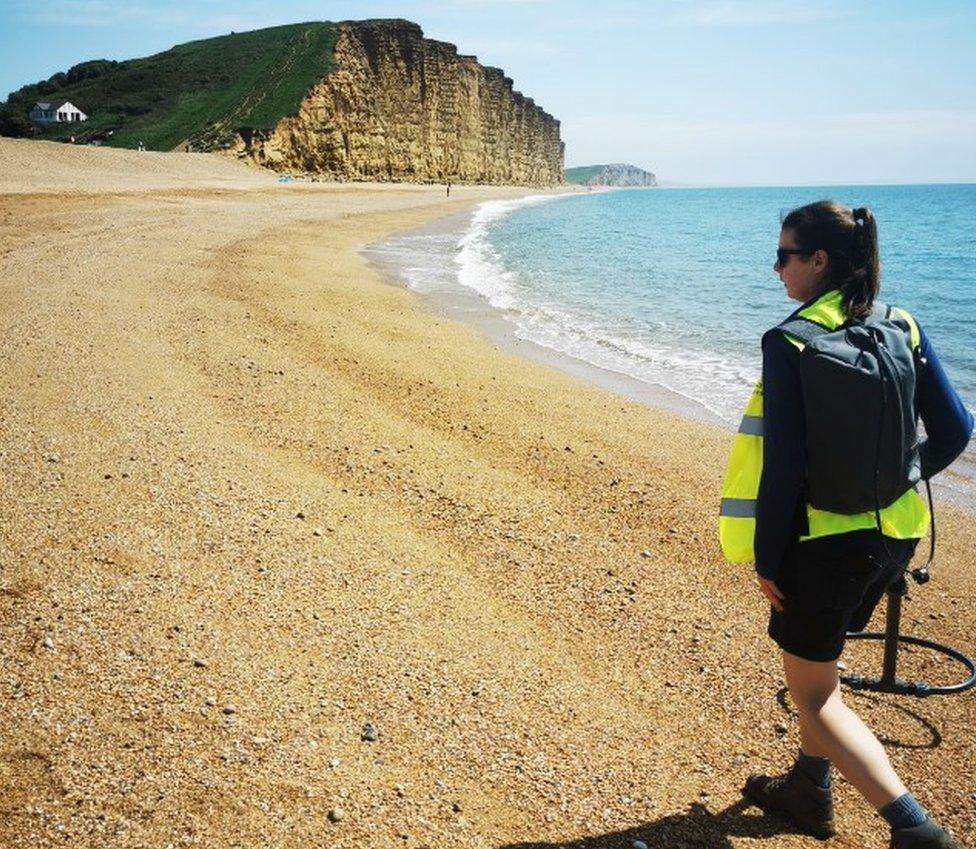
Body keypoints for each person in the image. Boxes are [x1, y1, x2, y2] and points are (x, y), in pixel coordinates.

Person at [743, 201, 972, 848]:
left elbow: (783, 469)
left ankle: (915, 828)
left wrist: (765, 559)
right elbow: (956, 430)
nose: (776, 267)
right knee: (824, 658)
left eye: (785, 255)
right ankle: (809, 785)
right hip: (898, 536)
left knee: (815, 693)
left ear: (818, 261)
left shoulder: (789, 340)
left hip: (821, 544)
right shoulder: (902, 323)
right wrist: (901, 474)